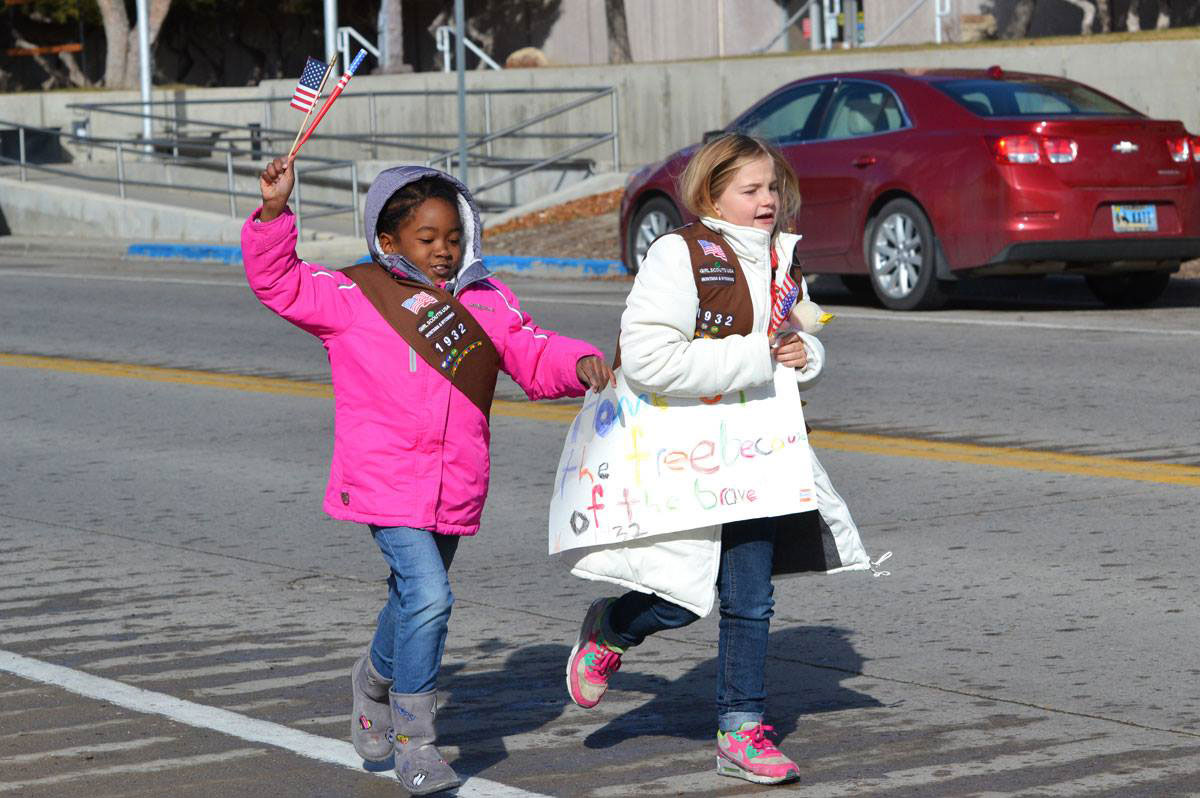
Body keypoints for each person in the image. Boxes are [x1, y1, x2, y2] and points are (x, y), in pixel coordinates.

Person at [243, 158, 613, 795]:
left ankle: (372, 680)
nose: (443, 251)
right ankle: (418, 741)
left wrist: (576, 359)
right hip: (385, 481)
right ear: (388, 242)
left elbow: (526, 348)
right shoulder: (355, 295)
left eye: (453, 238)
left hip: (456, 482)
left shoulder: (488, 299)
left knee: (412, 599)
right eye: (426, 239)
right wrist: (275, 214)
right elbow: (280, 281)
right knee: (432, 598)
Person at [563, 133, 874, 786]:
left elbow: (798, 327)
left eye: (772, 188)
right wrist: (759, 354)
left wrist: (803, 352)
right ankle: (614, 626)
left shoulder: (781, 260)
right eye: (751, 190)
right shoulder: (679, 255)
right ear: (711, 196)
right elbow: (649, 358)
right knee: (683, 594)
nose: (767, 201)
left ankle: (741, 729)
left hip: (759, 458)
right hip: (687, 459)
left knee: (750, 598)